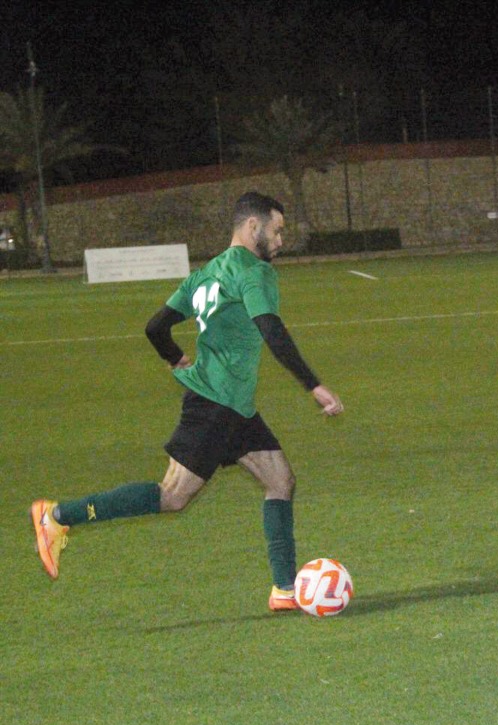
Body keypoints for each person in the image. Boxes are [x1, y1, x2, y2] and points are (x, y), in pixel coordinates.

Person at [30, 191, 344, 611]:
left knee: (280, 481)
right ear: (254, 228)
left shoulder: (206, 274)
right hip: (216, 405)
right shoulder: (254, 272)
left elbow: (155, 327)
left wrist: (177, 359)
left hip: (234, 406)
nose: (282, 240)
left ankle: (285, 590)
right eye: (278, 230)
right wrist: (313, 384)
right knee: (172, 496)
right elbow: (271, 329)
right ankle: (56, 516)